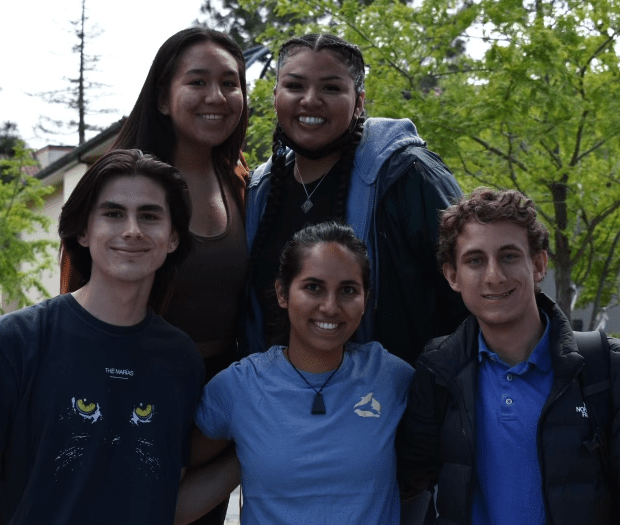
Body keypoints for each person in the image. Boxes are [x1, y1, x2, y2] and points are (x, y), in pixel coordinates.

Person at [0, 150, 204, 525]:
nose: (132, 229)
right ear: (83, 231)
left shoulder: (181, 358)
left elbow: (164, 500)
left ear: (173, 237)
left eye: (150, 215)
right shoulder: (9, 344)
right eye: (113, 214)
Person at [397, 187, 620, 524]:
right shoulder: (437, 371)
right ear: (452, 276)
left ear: (538, 264)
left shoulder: (614, 368)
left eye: (509, 256)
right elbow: (402, 485)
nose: (494, 276)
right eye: (475, 260)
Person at [60, 28, 248, 524]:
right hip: (128, 386)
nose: (217, 97)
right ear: (163, 98)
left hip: (215, 401)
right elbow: (76, 302)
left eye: (231, 83)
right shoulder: (120, 189)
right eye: (198, 82)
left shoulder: (244, 182)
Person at [244, 33, 468, 365]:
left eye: (331, 88)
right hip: (274, 406)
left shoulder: (408, 176)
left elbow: (469, 293)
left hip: (401, 404)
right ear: (275, 94)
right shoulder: (259, 192)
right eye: (294, 86)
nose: (310, 100)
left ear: (359, 102)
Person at [177, 221, 415, 525]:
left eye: (348, 290)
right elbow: (169, 496)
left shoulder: (391, 376)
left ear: (365, 299)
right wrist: (245, 459)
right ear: (282, 292)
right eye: (313, 287)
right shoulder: (239, 387)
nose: (330, 307)